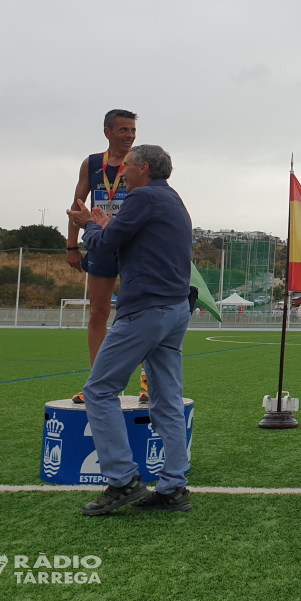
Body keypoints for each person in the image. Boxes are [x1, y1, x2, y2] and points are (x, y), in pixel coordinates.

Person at [66, 145, 194, 515]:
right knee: (167, 399)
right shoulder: (172, 201)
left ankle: (122, 480)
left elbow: (105, 246)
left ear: (143, 168)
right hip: (175, 309)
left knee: (99, 391)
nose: (121, 173)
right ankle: (173, 486)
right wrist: (104, 227)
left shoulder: (142, 199)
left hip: (145, 310)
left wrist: (88, 224)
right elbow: (136, 243)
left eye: (127, 167)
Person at [66, 109, 150, 405]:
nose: (129, 136)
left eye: (132, 131)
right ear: (108, 132)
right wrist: (71, 246)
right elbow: (78, 205)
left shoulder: (139, 162)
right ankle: (97, 383)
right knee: (99, 313)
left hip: (132, 245)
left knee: (142, 313)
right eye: (124, 130)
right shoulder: (91, 164)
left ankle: (147, 383)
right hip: (101, 243)